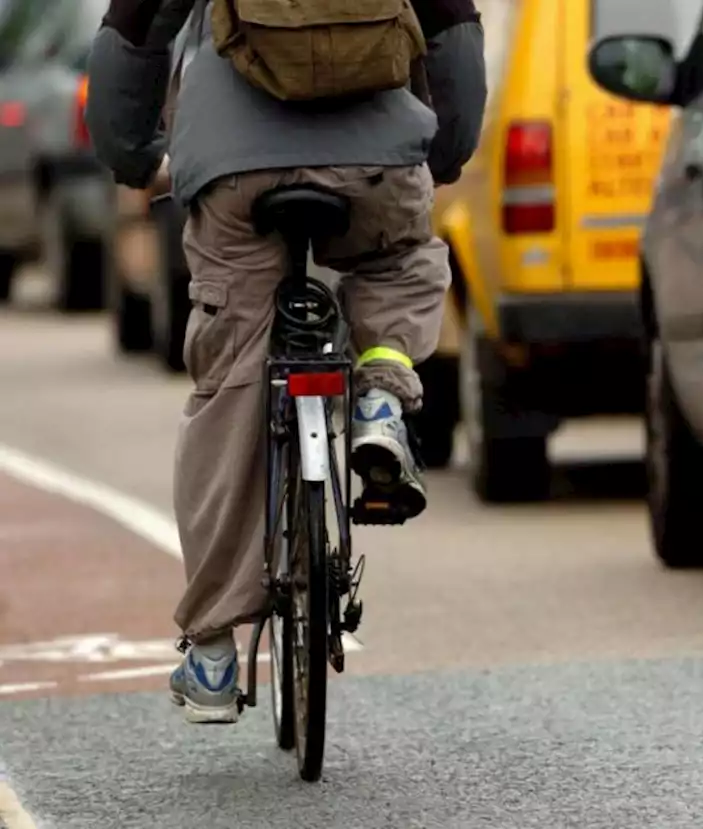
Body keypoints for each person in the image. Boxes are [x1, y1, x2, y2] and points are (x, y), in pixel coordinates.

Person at [86, 0, 486, 724]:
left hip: (234, 171)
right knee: (399, 262)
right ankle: (381, 396)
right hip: (378, 161)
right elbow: (455, 32)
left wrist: (135, 156)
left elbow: (134, 30)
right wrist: (447, 148)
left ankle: (211, 652)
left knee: (231, 375)